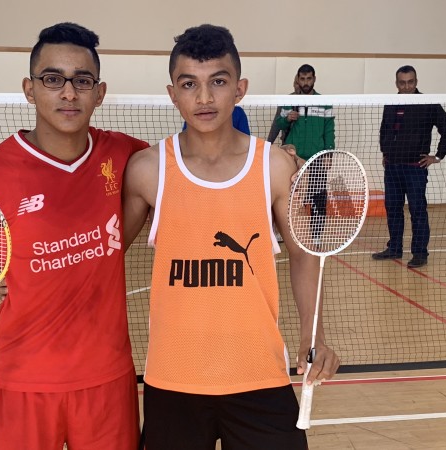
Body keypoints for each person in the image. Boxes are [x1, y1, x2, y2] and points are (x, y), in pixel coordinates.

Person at [0, 22, 149, 450]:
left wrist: (113, 244)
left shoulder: (126, 154)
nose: (68, 93)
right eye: (53, 79)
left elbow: (180, 174)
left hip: (107, 382)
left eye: (82, 80)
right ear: (29, 89)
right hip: (22, 383)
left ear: (99, 93)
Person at [122, 24, 340, 450]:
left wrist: (313, 333)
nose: (204, 98)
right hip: (174, 379)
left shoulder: (274, 166)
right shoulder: (148, 169)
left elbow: (302, 255)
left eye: (218, 82)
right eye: (190, 84)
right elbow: (104, 256)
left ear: (240, 89)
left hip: (258, 374)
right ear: (172, 94)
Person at [372, 65, 446, 268]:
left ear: (416, 82)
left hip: (414, 169)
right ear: (396, 83)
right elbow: (385, 129)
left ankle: (419, 253)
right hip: (392, 168)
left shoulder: (428, 103)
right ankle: (394, 248)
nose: (407, 86)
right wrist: (386, 152)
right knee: (393, 208)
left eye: (410, 82)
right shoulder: (391, 103)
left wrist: (437, 156)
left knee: (417, 210)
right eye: (402, 83)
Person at [275, 64, 335, 244]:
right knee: (289, 199)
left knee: (318, 199)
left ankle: (316, 236)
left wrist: (329, 152)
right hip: (292, 159)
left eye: (309, 79)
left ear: (314, 79)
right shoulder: (290, 100)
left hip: (317, 159)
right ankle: (287, 233)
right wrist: (287, 119)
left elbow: (329, 129)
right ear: (298, 79)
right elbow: (279, 124)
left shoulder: (324, 102)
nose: (306, 82)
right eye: (302, 79)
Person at [267, 76, 301, 144]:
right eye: (297, 83)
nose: (299, 86)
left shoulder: (316, 101)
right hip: (287, 144)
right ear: (293, 84)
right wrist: (268, 144)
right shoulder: (285, 101)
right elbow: (276, 126)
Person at [184, 104, 250, 134]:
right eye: (189, 84)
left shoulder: (238, 112)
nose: (204, 100)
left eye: (218, 82)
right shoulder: (193, 115)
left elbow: (245, 135)